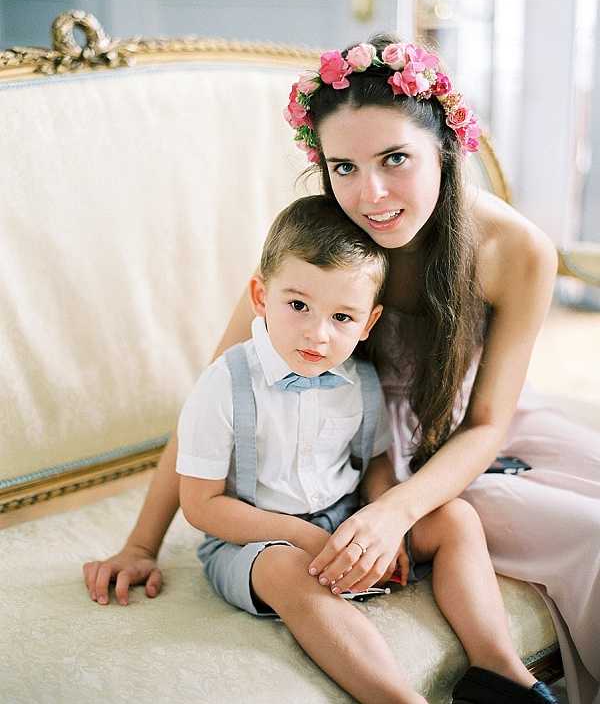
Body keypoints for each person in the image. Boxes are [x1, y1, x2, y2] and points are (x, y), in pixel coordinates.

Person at [82, 36, 599, 703]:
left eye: (395, 159)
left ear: (445, 147)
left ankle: (504, 681)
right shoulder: (318, 255)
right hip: (349, 455)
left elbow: (488, 422)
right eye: (344, 167)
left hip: (458, 441)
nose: (371, 194)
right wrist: (141, 543)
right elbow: (211, 403)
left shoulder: (518, 249)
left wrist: (391, 513)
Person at [178, 194, 553, 704]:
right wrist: (301, 537)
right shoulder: (224, 384)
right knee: (286, 571)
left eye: (342, 317)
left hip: (343, 519)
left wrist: (384, 519)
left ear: (368, 323)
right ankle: (397, 697)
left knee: (455, 518)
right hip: (252, 539)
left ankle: (498, 669)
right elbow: (201, 506)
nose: (317, 334)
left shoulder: (360, 381)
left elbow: (373, 463)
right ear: (260, 296)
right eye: (298, 306)